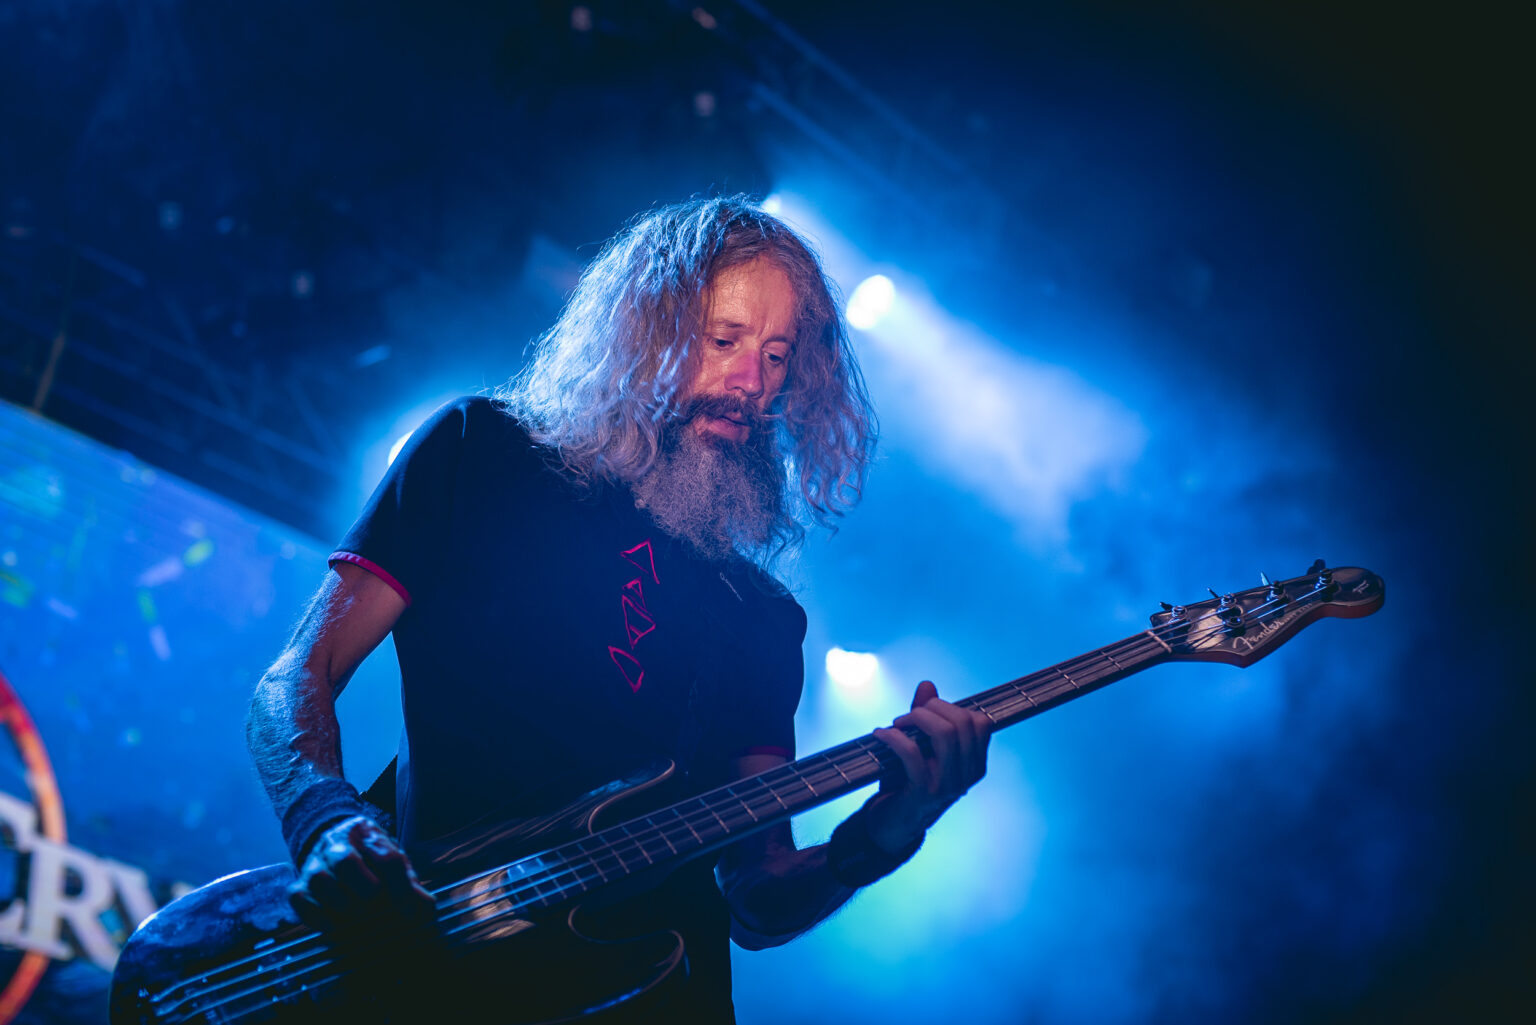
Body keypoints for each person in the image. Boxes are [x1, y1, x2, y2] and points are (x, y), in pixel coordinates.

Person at [246, 196, 991, 1021]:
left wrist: (885, 831)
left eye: (777, 356)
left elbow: (757, 894)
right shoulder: (478, 452)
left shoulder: (761, 619)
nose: (752, 385)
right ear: (645, 329)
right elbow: (297, 676)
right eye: (725, 342)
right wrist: (325, 821)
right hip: (432, 982)